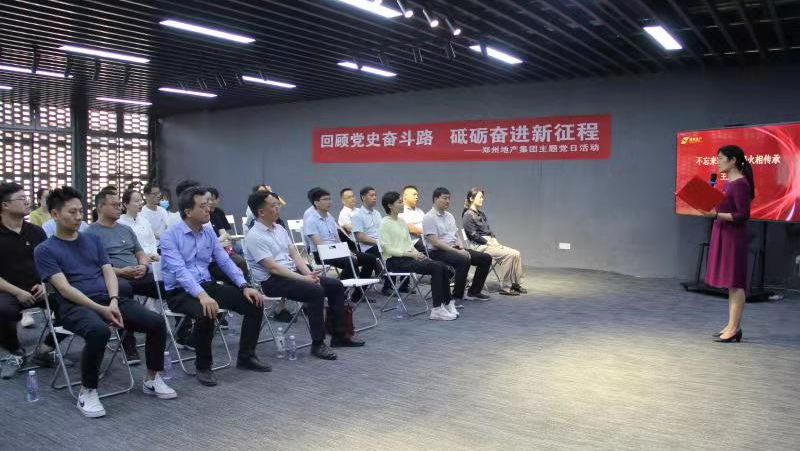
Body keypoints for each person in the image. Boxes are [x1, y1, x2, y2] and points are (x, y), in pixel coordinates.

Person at [34, 186, 175, 418]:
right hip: (72, 307)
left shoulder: (92, 240)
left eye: (80, 211)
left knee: (156, 322)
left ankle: (152, 378)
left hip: (107, 300)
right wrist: (101, 309)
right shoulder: (45, 250)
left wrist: (113, 300)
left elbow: (108, 272)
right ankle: (87, 391)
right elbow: (64, 288)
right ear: (55, 214)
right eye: (72, 212)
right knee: (98, 330)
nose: (78, 217)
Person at [160, 186, 270, 386]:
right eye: (202, 206)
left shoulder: (208, 232)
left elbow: (224, 261)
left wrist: (244, 285)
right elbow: (180, 271)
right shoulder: (170, 236)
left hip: (206, 285)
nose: (208, 209)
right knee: (206, 311)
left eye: (208, 204)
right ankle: (203, 367)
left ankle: (246, 356)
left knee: (254, 301)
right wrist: (202, 295)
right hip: (179, 292)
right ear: (188, 212)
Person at [244, 190, 364, 360]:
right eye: (273, 205)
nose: (278, 208)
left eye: (277, 204)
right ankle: (318, 344)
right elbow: (273, 268)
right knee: (315, 291)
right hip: (272, 282)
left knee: (335, 285)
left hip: (292, 274)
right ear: (261, 212)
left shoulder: (279, 228)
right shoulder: (254, 236)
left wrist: (309, 274)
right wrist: (305, 279)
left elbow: (294, 254)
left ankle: (339, 335)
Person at [0, 182, 71, 378]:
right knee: (2, 309)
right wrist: (17, 292)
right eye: (22, 199)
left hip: (39, 287)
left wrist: (44, 283)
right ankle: (15, 352)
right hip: (7, 291)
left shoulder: (36, 231)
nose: (27, 202)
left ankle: (46, 349)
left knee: (73, 303)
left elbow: (50, 262)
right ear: (5, 205)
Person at [86, 190, 161, 365]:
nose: (119, 208)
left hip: (138, 273)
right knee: (123, 290)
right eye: (114, 205)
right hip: (115, 277)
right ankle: (128, 343)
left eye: (119, 204)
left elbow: (140, 253)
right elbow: (93, 266)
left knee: (167, 283)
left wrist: (143, 266)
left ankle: (182, 332)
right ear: (100, 207)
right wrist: (120, 272)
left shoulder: (125, 229)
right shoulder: (91, 233)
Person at [699, 145, 755, 343]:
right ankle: (732, 325)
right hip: (723, 233)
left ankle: (734, 329)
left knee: (736, 283)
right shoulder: (728, 183)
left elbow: (742, 215)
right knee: (731, 283)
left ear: (733, 160)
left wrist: (716, 214)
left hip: (733, 237)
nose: (717, 162)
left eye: (721, 158)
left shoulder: (740, 184)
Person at [379, 191, 458, 321]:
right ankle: (437, 309)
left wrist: (416, 253)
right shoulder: (384, 223)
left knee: (441, 265)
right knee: (436, 268)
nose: (402, 204)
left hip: (407, 258)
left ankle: (447, 302)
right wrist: (410, 254)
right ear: (390, 205)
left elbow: (408, 243)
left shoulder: (401, 221)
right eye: (399, 202)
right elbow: (387, 249)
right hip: (394, 262)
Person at [304, 188, 380, 296]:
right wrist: (343, 252)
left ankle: (358, 295)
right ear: (316, 203)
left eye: (329, 199)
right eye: (325, 199)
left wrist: (347, 251)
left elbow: (337, 239)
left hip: (337, 251)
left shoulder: (330, 218)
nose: (329, 202)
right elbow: (320, 245)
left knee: (370, 259)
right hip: (322, 253)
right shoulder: (311, 220)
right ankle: (335, 293)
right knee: (351, 262)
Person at [423, 187, 492, 302]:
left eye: (449, 198)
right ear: (435, 199)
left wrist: (461, 247)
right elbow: (435, 242)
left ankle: (474, 292)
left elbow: (456, 235)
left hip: (454, 249)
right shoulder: (429, 217)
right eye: (444, 198)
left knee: (485, 258)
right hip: (437, 252)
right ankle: (457, 295)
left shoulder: (449, 216)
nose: (448, 201)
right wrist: (458, 251)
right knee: (463, 260)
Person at [462, 187, 527, 296]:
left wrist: (495, 240)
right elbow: (473, 235)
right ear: (471, 198)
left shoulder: (481, 214)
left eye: (482, 197)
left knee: (516, 253)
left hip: (490, 242)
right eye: (480, 197)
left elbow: (489, 231)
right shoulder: (468, 215)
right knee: (509, 255)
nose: (482, 199)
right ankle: (506, 287)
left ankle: (516, 284)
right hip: (480, 246)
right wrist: (488, 242)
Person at [351, 186, 391, 292]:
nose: (375, 197)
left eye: (375, 195)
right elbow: (360, 237)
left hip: (380, 245)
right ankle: (387, 285)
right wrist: (379, 243)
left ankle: (403, 284)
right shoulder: (357, 216)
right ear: (363, 197)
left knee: (399, 250)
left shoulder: (377, 213)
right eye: (371, 195)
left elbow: (382, 232)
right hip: (367, 248)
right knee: (387, 252)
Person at [118, 189, 160, 258]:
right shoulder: (120, 223)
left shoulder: (144, 220)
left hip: (152, 257)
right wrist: (143, 257)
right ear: (126, 204)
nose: (140, 203)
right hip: (135, 259)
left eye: (141, 200)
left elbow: (152, 240)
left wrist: (154, 254)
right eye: (137, 201)